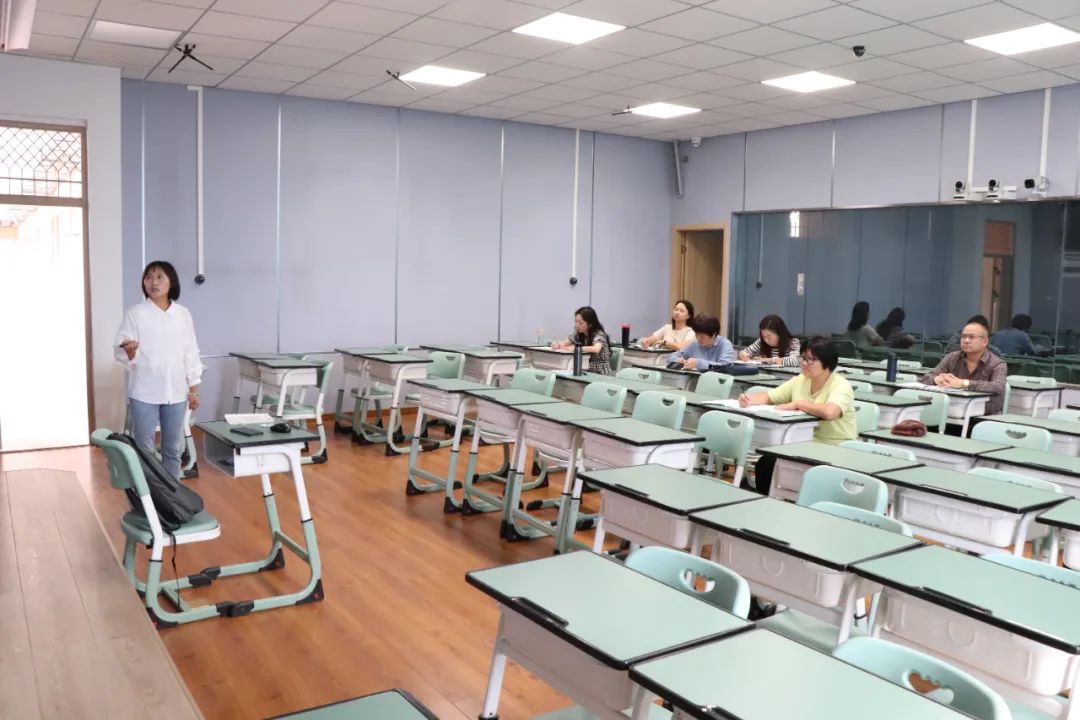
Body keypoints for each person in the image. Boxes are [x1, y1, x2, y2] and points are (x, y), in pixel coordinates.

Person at [115, 260, 202, 480]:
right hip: (144, 392)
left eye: (159, 277)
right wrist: (130, 351)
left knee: (173, 449)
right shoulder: (135, 313)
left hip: (176, 393)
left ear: (171, 282)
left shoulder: (183, 314)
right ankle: (147, 494)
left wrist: (194, 390)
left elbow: (191, 352)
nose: (153, 282)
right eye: (148, 277)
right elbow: (122, 350)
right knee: (145, 449)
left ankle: (171, 493)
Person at [739, 337, 856, 496]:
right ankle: (768, 502)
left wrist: (799, 404)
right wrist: (749, 399)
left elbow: (830, 412)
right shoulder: (801, 380)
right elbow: (770, 396)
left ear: (827, 362)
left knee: (777, 464)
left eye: (810, 359)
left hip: (834, 447)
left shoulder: (840, 385)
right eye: (803, 358)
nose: (804, 363)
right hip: (803, 444)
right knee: (766, 462)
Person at [920, 317, 1007, 415]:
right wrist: (937, 379)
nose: (966, 340)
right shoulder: (952, 357)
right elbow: (925, 378)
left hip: (983, 416)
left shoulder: (998, 364)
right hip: (952, 410)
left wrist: (964, 383)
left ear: (985, 341)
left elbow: (997, 386)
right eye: (963, 336)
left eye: (972, 337)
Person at [551, 305, 613, 375]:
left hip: (600, 372)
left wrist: (576, 348)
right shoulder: (578, 332)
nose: (577, 325)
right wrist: (558, 345)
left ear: (590, 324)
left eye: (580, 323)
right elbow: (564, 343)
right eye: (576, 321)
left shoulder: (599, 334)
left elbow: (596, 349)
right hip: (584, 369)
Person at [667, 314, 734, 371]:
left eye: (702, 336)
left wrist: (698, 363)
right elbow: (671, 356)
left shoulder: (725, 344)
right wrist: (677, 360)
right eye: (696, 334)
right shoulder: (694, 345)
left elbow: (725, 367)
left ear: (714, 334)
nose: (698, 339)